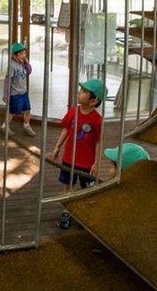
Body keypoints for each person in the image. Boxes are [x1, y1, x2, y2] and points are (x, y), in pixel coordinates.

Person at [52, 79, 105, 228]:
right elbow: (66, 129)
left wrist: (96, 163)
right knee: (67, 186)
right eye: (81, 90)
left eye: (84, 91)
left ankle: (83, 213)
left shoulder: (97, 120)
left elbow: (98, 142)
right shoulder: (73, 111)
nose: (79, 92)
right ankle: (66, 212)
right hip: (69, 159)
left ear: (94, 101)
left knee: (85, 188)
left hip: (86, 163)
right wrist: (57, 146)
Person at [1, 42, 35, 136]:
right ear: (14, 56)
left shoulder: (23, 64)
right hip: (15, 94)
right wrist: (5, 95)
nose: (24, 56)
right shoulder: (12, 66)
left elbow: (29, 72)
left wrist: (27, 63)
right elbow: (7, 81)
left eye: (25, 53)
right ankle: (4, 126)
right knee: (12, 112)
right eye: (21, 54)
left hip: (24, 92)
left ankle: (26, 125)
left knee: (27, 110)